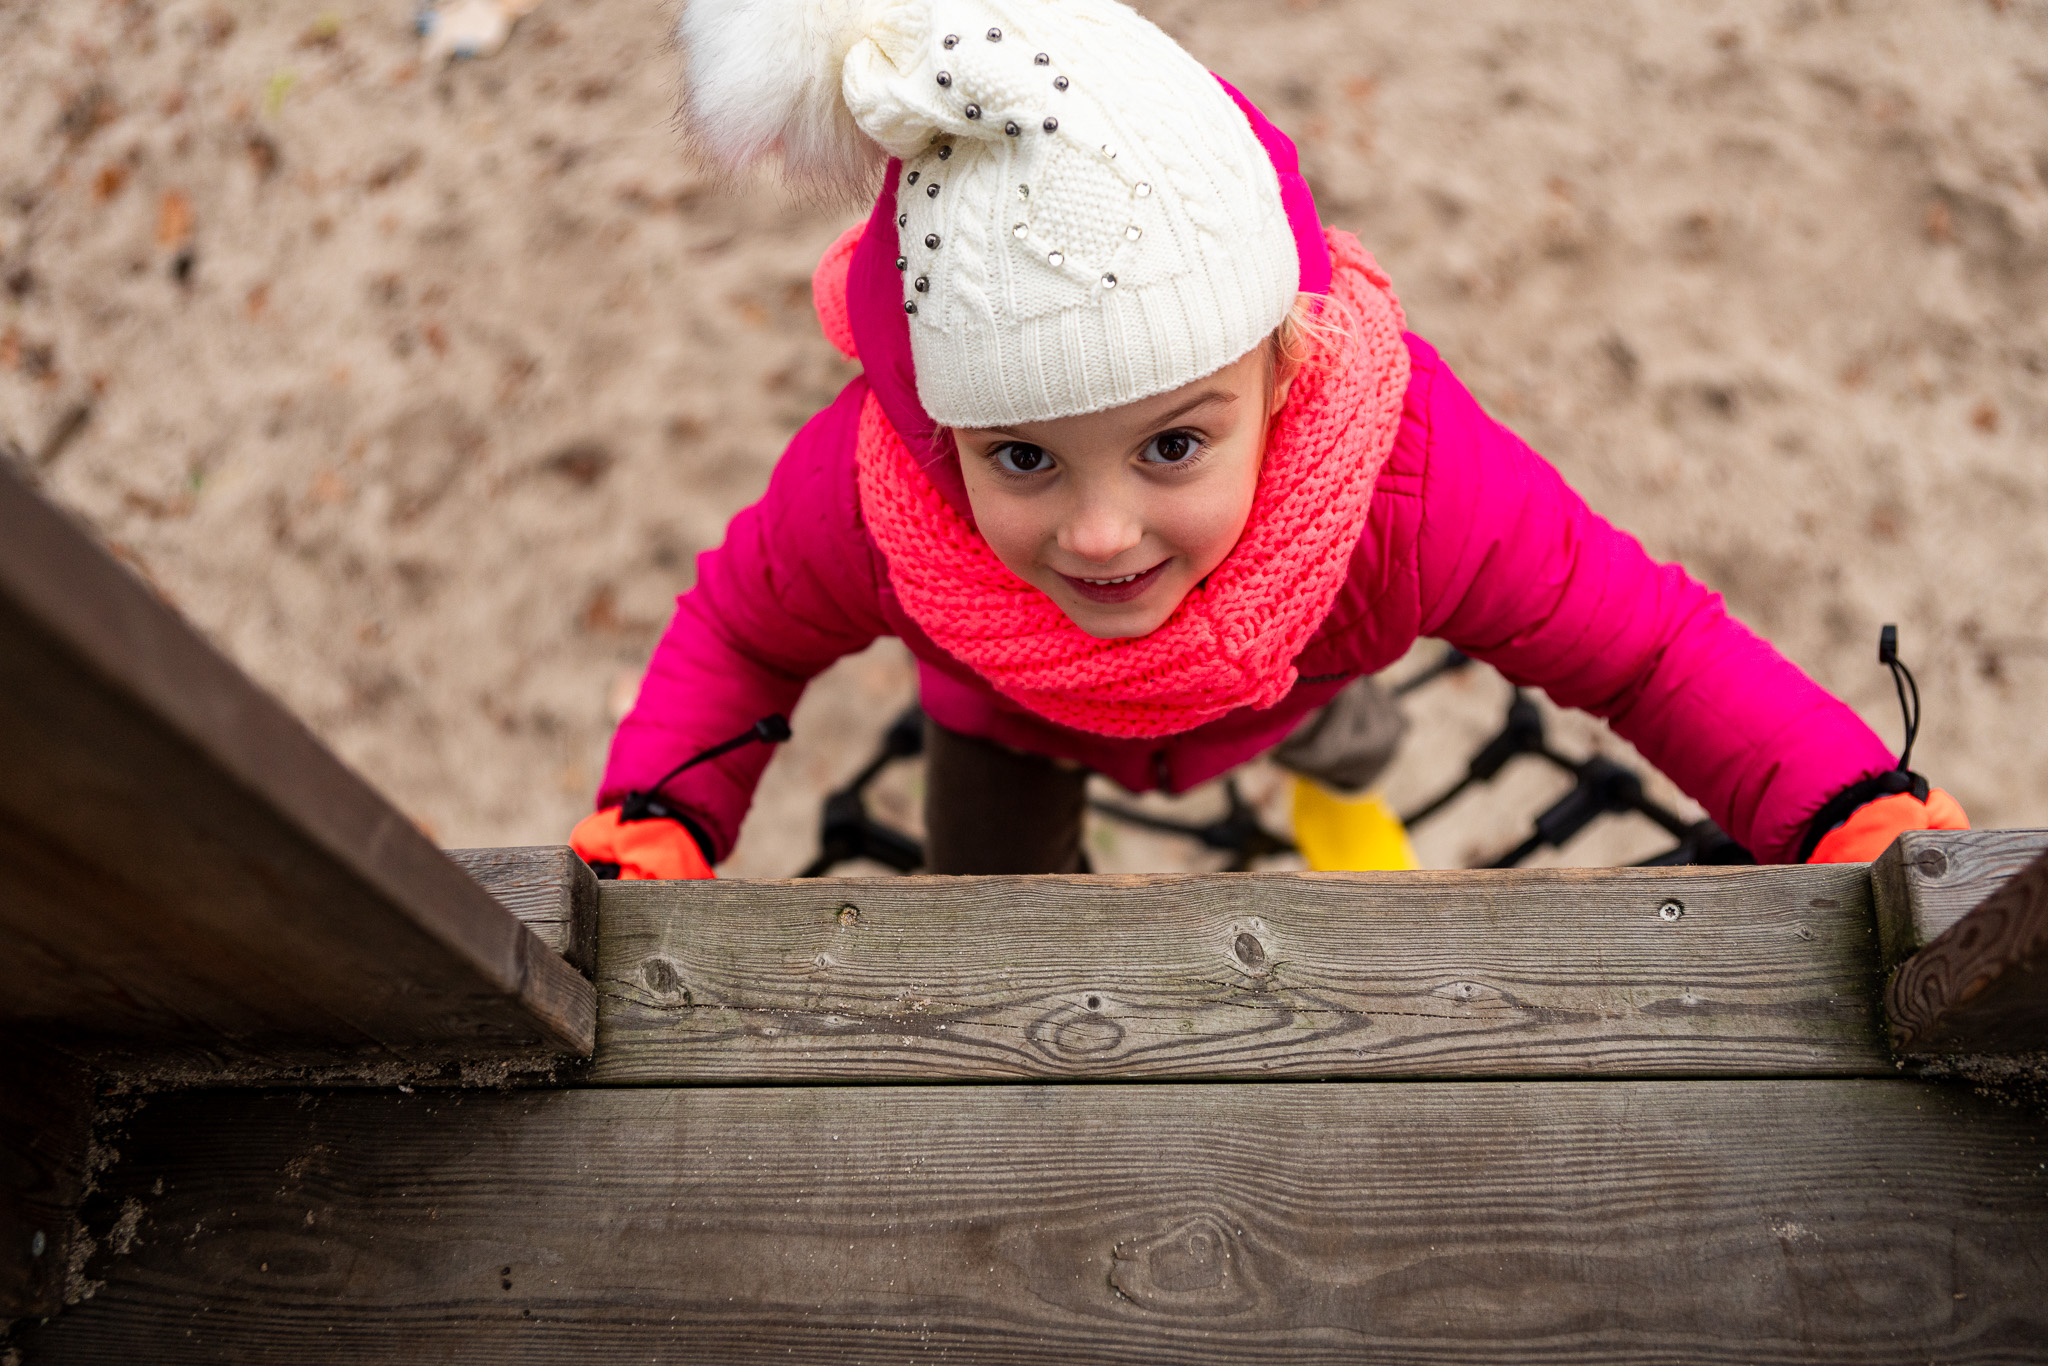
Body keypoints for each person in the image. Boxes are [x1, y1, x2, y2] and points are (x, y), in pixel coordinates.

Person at [571, 0, 1967, 880]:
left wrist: (1841, 799)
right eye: (1023, 457)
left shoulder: (1410, 482)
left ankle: (1332, 778)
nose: (1101, 531)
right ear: (940, 424)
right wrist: (662, 813)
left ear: (1290, 365)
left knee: (1345, 728)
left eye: (1171, 445)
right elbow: (746, 634)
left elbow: (1651, 650)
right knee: (986, 911)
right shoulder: (881, 497)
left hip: (1300, 669)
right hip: (1007, 713)